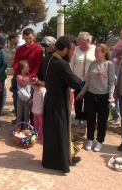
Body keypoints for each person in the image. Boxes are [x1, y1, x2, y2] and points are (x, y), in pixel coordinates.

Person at [37, 35, 83, 173]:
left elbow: (40, 77)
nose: (73, 52)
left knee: (51, 131)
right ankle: (61, 162)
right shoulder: (62, 64)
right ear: (64, 49)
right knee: (61, 131)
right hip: (59, 101)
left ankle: (55, 159)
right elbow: (76, 83)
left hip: (49, 98)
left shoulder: (47, 59)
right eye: (72, 50)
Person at [76, 44, 115, 152]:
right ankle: (90, 139)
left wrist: (111, 96)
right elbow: (88, 81)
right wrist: (82, 93)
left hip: (104, 96)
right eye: (95, 52)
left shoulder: (109, 65)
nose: (95, 54)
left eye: (98, 52)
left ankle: (99, 141)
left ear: (104, 52)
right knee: (90, 118)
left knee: (102, 120)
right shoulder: (92, 64)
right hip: (90, 95)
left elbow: (112, 82)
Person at [13, 28, 43, 125]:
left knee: (31, 102)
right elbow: (16, 63)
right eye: (26, 38)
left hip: (31, 79)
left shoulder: (38, 49)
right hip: (19, 78)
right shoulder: (19, 49)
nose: (28, 41)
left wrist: (29, 76)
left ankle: (30, 124)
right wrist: (18, 75)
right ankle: (19, 123)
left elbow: (38, 65)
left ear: (33, 36)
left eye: (29, 38)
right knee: (18, 100)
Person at [70, 32, 96, 126]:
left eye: (85, 43)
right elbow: (71, 64)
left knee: (88, 100)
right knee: (78, 99)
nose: (83, 45)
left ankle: (85, 117)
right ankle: (78, 116)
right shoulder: (76, 50)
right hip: (78, 78)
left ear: (90, 42)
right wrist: (72, 76)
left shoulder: (94, 49)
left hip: (90, 79)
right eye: (81, 43)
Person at [8, 32, 25, 124]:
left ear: (13, 39)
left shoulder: (19, 46)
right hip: (23, 72)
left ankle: (19, 118)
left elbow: (17, 62)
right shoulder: (22, 44)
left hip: (19, 73)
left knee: (16, 95)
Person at [16, 60, 32, 125]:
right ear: (22, 68)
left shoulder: (29, 77)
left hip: (28, 99)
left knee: (26, 115)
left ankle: (26, 129)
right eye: (27, 67)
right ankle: (17, 129)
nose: (29, 68)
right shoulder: (18, 77)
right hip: (20, 99)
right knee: (19, 115)